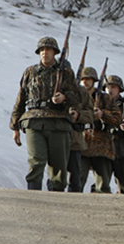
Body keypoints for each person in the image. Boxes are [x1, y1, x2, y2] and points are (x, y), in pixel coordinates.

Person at [10, 36, 80, 191]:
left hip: (58, 123)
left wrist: (65, 97)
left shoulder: (66, 72)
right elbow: (21, 98)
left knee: (58, 165)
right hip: (34, 121)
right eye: (42, 50)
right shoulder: (30, 72)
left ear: (54, 52)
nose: (44, 53)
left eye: (48, 49)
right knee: (36, 160)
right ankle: (33, 196)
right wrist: (15, 126)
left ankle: (56, 197)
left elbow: (77, 98)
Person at [80, 67, 122, 193]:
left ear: (94, 80)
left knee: (103, 185)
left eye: (88, 79)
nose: (85, 82)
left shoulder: (106, 99)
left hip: (102, 144)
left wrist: (103, 115)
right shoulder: (77, 97)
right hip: (82, 142)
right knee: (77, 181)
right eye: (83, 79)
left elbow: (118, 119)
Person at [67, 82, 95, 192]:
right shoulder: (51, 88)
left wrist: (79, 115)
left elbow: (90, 114)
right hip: (56, 139)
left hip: (75, 140)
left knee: (75, 178)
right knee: (56, 178)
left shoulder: (81, 91)